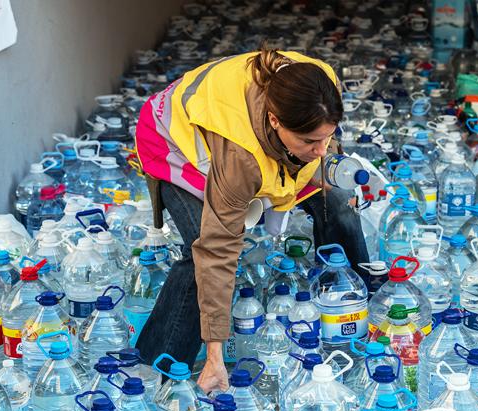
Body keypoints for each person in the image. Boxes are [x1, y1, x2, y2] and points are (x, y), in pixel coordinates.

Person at [134, 48, 369, 392]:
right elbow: (217, 250)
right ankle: (158, 371)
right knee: (200, 247)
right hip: (173, 141)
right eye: (310, 141)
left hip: (268, 149)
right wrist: (215, 355)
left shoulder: (320, 84)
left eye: (326, 136)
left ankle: (356, 306)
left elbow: (322, 144)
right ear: (275, 121)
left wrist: (330, 159)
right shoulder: (239, 157)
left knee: (336, 203)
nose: (321, 150)